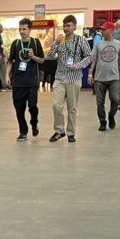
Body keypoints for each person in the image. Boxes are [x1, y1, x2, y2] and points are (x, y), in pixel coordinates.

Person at [45, 15, 91, 143]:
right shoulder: (60, 40)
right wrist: (55, 43)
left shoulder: (81, 40)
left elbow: (88, 56)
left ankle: (71, 132)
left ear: (75, 26)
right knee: (56, 105)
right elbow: (49, 56)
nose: (66, 28)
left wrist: (79, 65)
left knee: (72, 107)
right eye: (64, 26)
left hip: (74, 78)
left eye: (69, 25)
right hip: (60, 77)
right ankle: (59, 131)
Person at [8, 18, 45, 142]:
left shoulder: (35, 42)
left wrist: (33, 56)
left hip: (32, 81)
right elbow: (9, 61)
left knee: (33, 106)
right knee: (19, 108)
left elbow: (42, 60)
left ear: (30, 29)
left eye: (24, 29)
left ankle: (34, 122)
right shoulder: (16, 43)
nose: (22, 31)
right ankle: (23, 131)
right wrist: (7, 75)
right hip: (18, 81)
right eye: (20, 29)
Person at [88, 22, 120, 132]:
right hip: (99, 79)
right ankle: (102, 122)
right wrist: (90, 74)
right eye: (101, 29)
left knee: (115, 99)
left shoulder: (118, 43)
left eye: (104, 29)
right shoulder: (98, 44)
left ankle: (111, 115)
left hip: (114, 77)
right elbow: (94, 60)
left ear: (110, 30)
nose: (101, 31)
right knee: (100, 102)